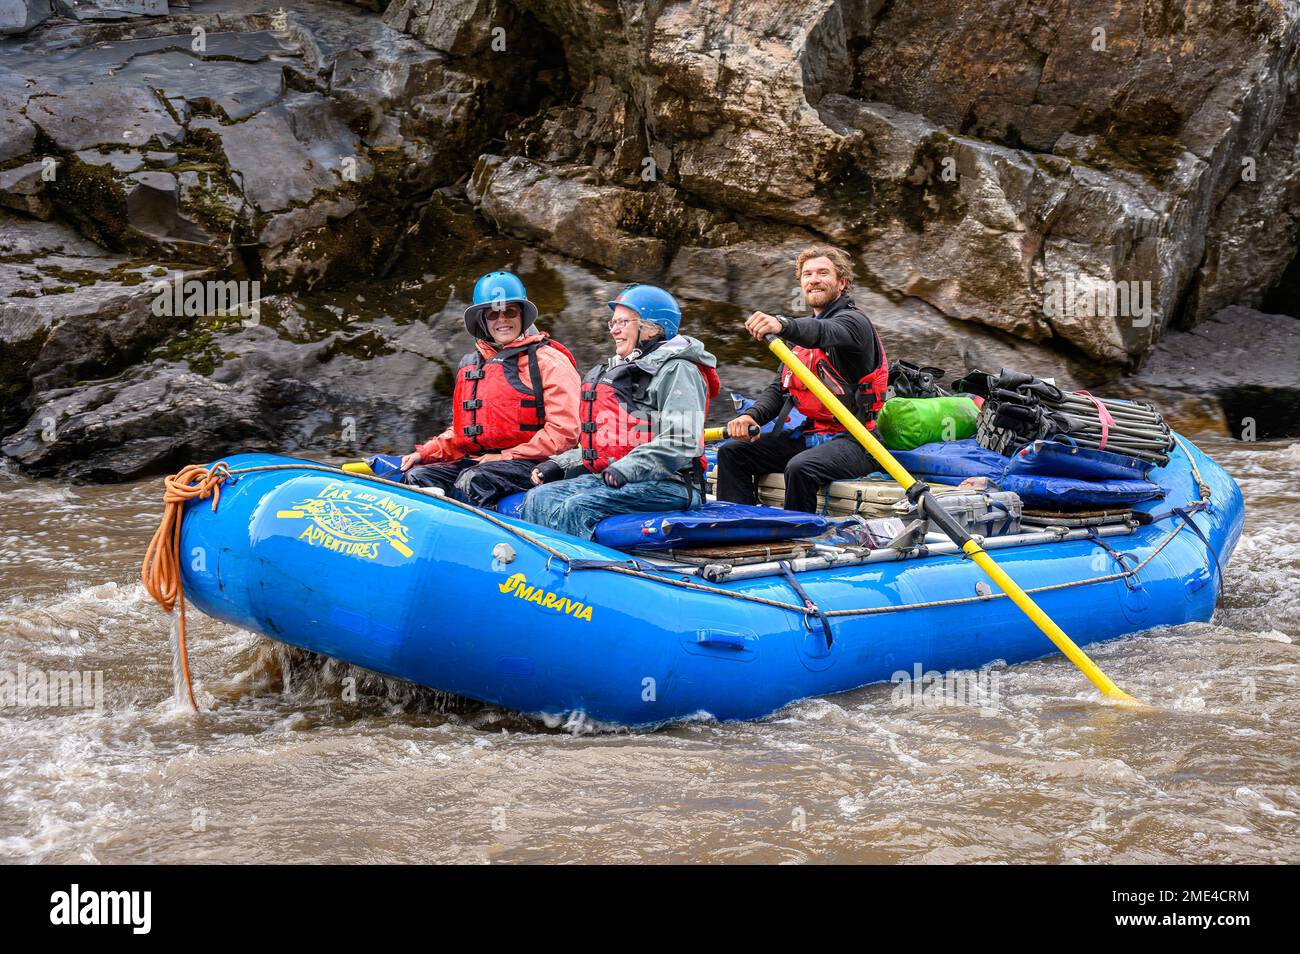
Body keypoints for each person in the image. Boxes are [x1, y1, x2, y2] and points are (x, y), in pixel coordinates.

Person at [518, 284, 720, 540]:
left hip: (672, 485)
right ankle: (537, 573)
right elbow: (612, 443)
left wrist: (627, 469)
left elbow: (682, 440)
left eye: (623, 322)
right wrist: (560, 464)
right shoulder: (627, 369)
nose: (614, 330)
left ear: (652, 328)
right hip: (626, 478)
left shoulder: (679, 370)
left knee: (576, 506)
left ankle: (580, 573)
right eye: (612, 322)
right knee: (539, 496)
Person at [714, 245, 888, 513]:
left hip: (858, 441)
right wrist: (751, 417)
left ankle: (797, 540)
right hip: (811, 434)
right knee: (732, 453)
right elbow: (779, 390)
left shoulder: (854, 324)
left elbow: (823, 331)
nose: (814, 279)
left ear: (841, 282)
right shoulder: (801, 342)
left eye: (823, 273)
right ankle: (739, 527)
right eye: (807, 274)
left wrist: (782, 324)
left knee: (801, 467)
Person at [399, 271, 581, 507]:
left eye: (510, 311)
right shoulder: (471, 365)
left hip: (537, 463)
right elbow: (462, 431)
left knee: (474, 479)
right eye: (493, 313)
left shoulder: (549, 361)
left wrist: (504, 456)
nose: (502, 319)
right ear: (483, 320)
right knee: (418, 476)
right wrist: (425, 453)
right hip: (483, 461)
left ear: (523, 316)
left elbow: (564, 433)